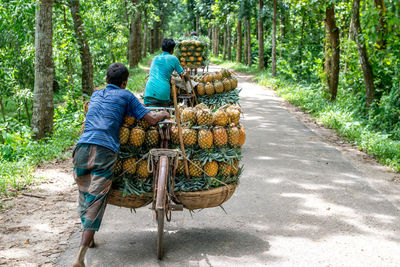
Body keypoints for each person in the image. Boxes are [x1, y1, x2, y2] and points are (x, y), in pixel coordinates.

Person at [72, 63, 169, 267]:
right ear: (124, 83)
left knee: (85, 194)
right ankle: (80, 257)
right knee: (97, 199)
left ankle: (88, 241)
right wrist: (163, 114)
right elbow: (150, 119)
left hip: (81, 148)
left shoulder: (96, 95)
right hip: (104, 150)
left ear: (106, 80)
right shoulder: (126, 96)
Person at [144, 38, 184, 107]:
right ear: (172, 50)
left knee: (150, 114)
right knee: (163, 114)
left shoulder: (155, 58)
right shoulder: (173, 59)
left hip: (149, 92)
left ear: (162, 49)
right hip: (162, 93)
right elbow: (182, 75)